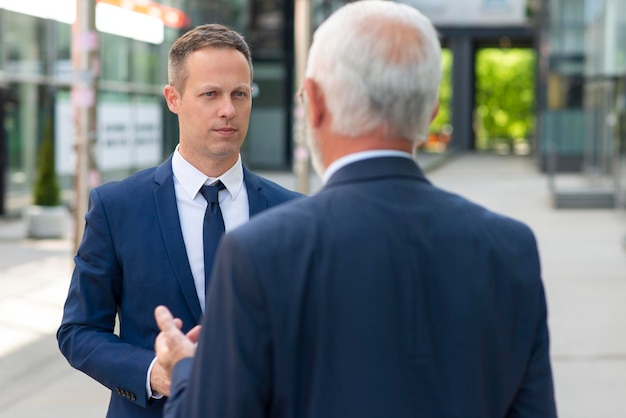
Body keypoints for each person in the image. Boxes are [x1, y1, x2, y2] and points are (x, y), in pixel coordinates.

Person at [154, 1, 558, 417]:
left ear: (315, 103)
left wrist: (186, 369)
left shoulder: (259, 252)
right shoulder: (509, 248)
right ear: (431, 112)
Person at [57, 23, 302, 418]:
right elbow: (79, 331)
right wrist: (155, 373)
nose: (228, 109)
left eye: (240, 93)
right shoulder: (116, 207)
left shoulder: (293, 213)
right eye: (210, 94)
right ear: (174, 98)